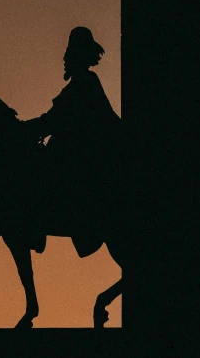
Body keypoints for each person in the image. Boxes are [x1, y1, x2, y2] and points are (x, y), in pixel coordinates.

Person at [24, 27, 121, 256]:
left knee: (41, 172)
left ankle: (38, 227)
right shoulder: (80, 84)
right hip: (76, 148)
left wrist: (25, 129)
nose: (66, 60)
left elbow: (55, 119)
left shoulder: (84, 84)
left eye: (70, 54)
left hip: (81, 152)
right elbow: (53, 119)